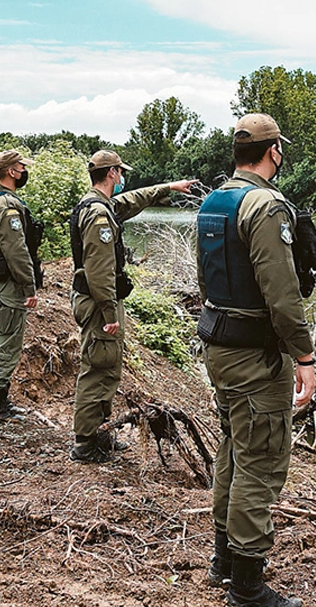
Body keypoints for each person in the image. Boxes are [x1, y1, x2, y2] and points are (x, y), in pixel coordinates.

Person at [196, 113, 316, 607]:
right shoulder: (265, 206)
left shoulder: (213, 202)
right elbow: (282, 294)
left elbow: (207, 283)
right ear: (274, 152)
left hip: (219, 347)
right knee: (260, 462)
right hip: (254, 357)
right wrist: (304, 355)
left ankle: (223, 562)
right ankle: (247, 589)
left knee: (233, 448)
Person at [68, 149, 197, 463]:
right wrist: (110, 313)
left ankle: (101, 433)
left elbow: (134, 200)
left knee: (107, 367)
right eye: (120, 172)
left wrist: (169, 188)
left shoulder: (99, 204)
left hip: (99, 302)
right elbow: (99, 270)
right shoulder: (98, 214)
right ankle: (85, 443)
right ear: (112, 173)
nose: (123, 177)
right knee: (97, 368)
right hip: (99, 305)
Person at [0, 149, 44, 419]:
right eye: (20, 167)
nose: (24, 171)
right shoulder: (5, 205)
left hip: (5, 281)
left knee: (8, 340)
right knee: (8, 342)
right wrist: (29, 286)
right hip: (9, 285)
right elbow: (16, 249)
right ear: (10, 171)